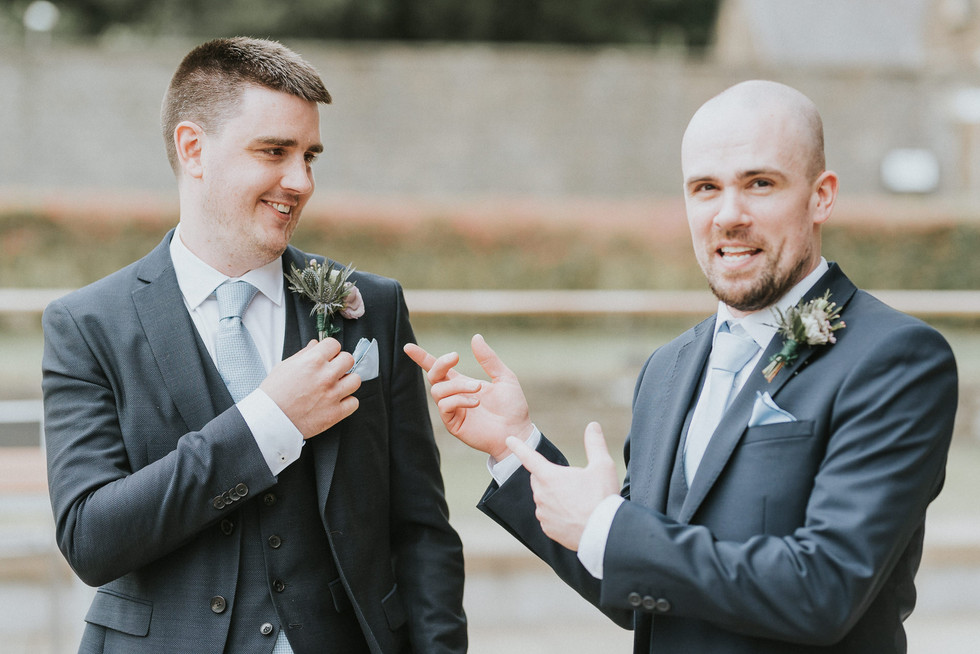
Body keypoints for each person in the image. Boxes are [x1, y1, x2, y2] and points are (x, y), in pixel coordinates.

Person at [405, 80, 957, 653]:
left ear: (822, 196)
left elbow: (824, 588)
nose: (729, 215)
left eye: (760, 184)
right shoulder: (666, 369)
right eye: (705, 188)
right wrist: (516, 446)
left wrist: (609, 528)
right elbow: (635, 587)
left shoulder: (897, 359)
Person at [42, 37, 466, 654]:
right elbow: (91, 539)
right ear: (193, 148)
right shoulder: (88, 324)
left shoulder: (370, 307)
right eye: (274, 151)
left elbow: (421, 530)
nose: (301, 181)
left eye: (309, 156)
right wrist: (269, 421)